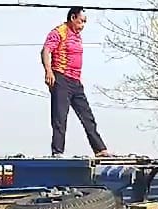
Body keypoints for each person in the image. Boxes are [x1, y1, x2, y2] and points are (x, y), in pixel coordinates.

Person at [41, 6, 110, 158]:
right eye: (81, 21)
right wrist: (48, 71)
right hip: (61, 78)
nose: (82, 26)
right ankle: (57, 151)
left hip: (76, 81)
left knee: (87, 116)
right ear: (73, 18)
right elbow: (46, 50)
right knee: (60, 117)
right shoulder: (59, 32)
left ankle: (100, 149)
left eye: (85, 22)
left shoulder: (77, 35)